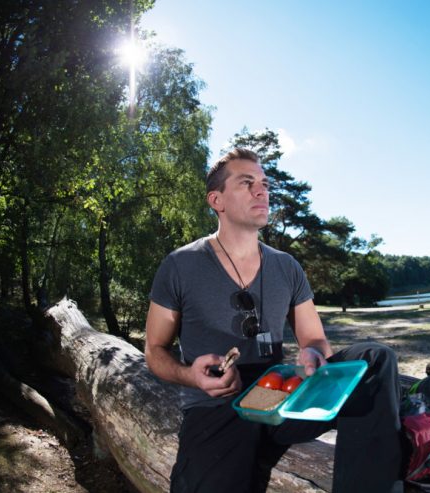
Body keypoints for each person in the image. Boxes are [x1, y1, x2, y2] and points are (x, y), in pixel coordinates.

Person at [145, 148, 407, 493]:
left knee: (375, 360)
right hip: (220, 407)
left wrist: (314, 354)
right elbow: (154, 349)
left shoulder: (287, 266)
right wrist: (189, 376)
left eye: (265, 184)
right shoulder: (180, 265)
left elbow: (314, 340)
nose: (262, 191)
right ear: (216, 200)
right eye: (246, 182)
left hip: (283, 398)